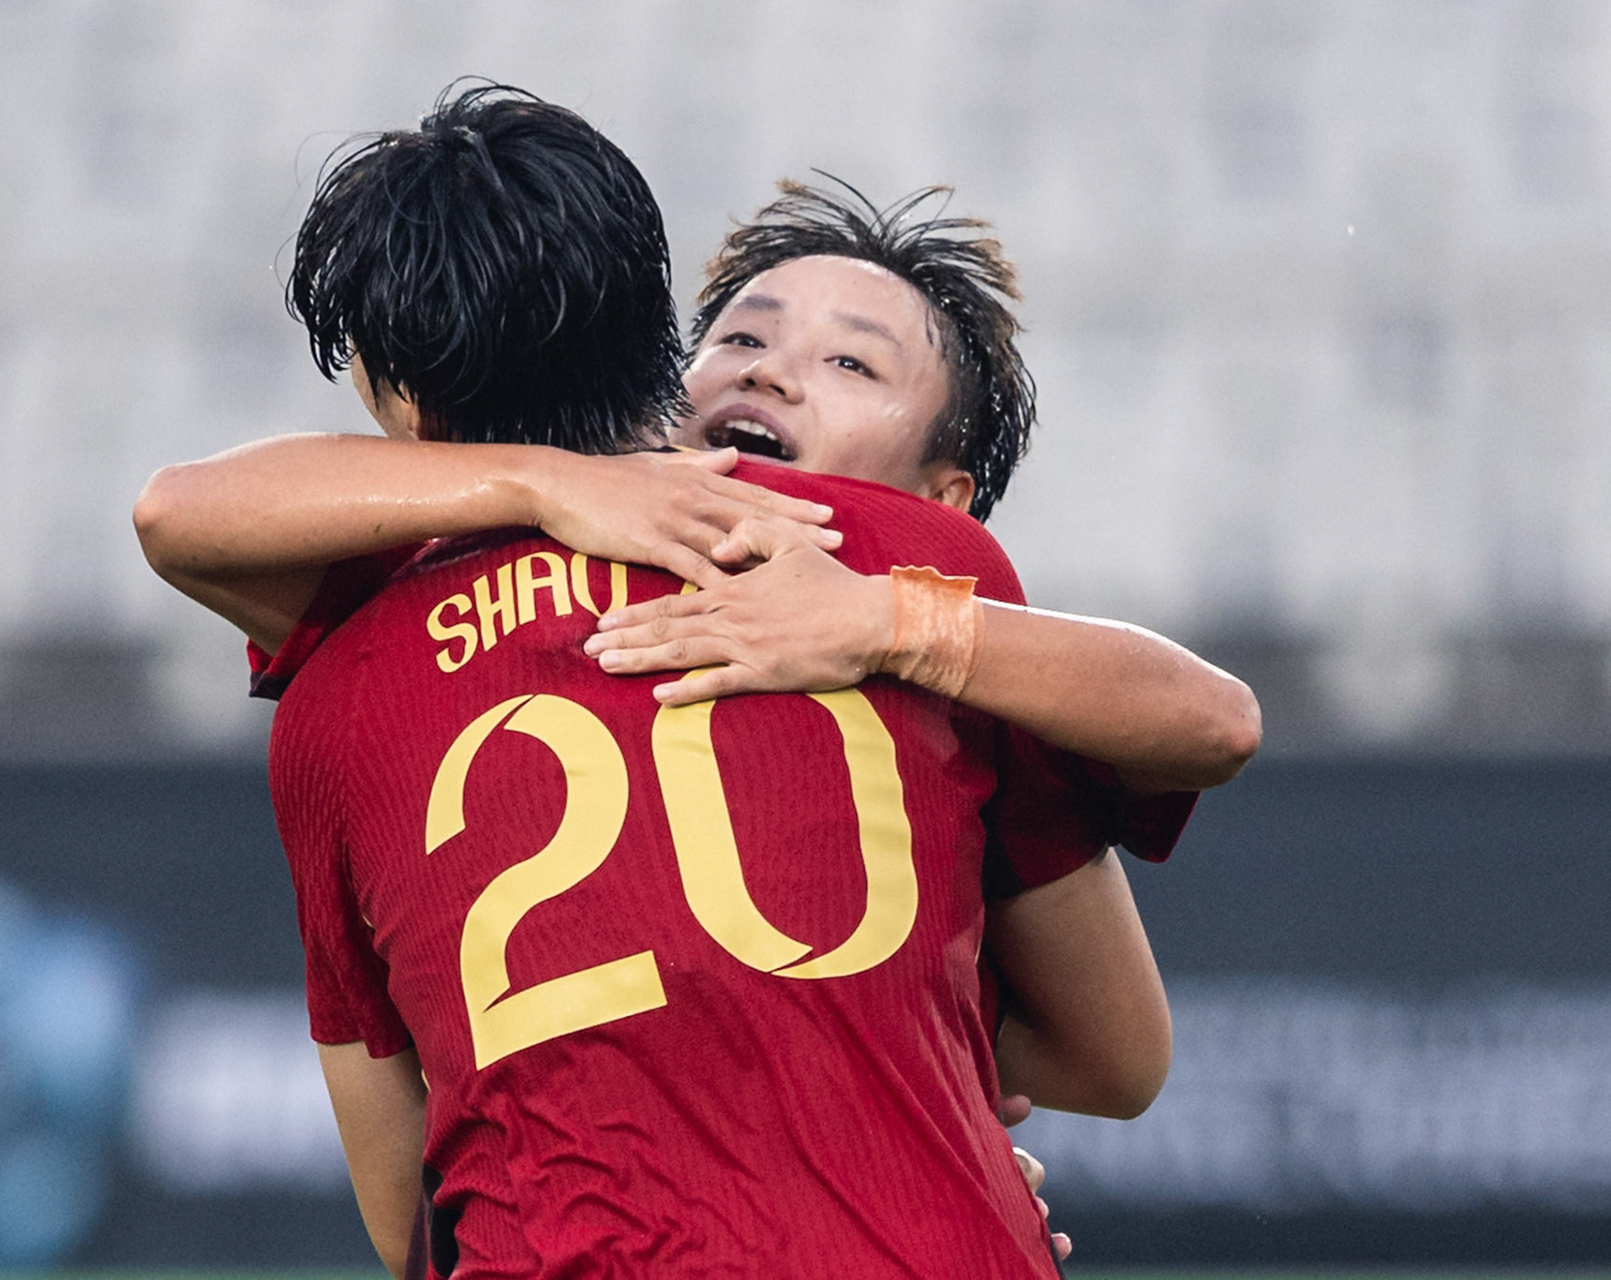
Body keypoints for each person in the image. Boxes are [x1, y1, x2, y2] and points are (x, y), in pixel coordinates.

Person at [134, 85, 1257, 1277]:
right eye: (748, 336)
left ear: (395, 397)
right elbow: (1118, 1050)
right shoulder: (901, 564)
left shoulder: (339, 682)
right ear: (663, 344)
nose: (773, 375)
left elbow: (404, 1207)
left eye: (850, 362)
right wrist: (911, 1104)